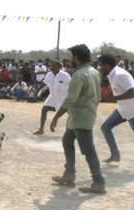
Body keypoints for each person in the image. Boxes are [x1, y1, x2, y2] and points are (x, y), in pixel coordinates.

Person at [50, 44, 106, 194]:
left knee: (88, 150)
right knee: (67, 141)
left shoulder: (79, 75)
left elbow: (70, 99)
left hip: (81, 117)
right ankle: (69, 175)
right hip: (81, 116)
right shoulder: (94, 72)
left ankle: (99, 181)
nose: (70, 60)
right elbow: (98, 96)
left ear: (76, 57)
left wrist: (55, 118)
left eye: (71, 57)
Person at [98, 54, 134, 163]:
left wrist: (113, 98)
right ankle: (115, 155)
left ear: (107, 65)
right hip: (123, 109)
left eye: (101, 65)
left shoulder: (119, 74)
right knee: (105, 127)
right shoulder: (112, 74)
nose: (100, 67)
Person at [34, 61, 71, 134]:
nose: (52, 68)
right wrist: (37, 91)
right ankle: (41, 129)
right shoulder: (49, 74)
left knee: (70, 113)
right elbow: (44, 83)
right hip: (52, 97)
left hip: (63, 97)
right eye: (51, 66)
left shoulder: (65, 75)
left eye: (54, 66)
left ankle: (69, 131)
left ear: (59, 67)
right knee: (44, 109)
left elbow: (71, 86)